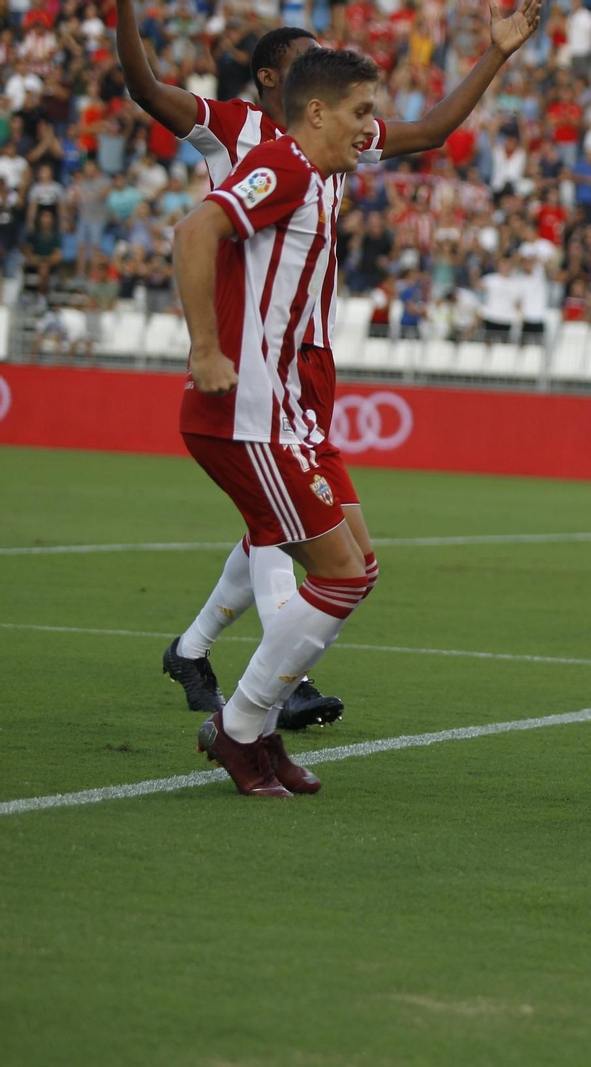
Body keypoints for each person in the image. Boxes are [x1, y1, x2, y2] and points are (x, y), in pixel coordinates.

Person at [118, 0, 546, 727]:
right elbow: (145, 88)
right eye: (304, 60)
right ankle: (274, 688)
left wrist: (498, 52)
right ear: (275, 81)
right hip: (251, 356)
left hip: (307, 356)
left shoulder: (341, 136)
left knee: (293, 520)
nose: (323, 70)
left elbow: (433, 130)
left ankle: (198, 648)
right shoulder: (239, 130)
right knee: (282, 521)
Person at [171, 49, 388, 797]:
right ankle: (241, 727)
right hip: (248, 416)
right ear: (317, 112)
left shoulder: (318, 180)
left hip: (288, 417)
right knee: (340, 574)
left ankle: (254, 724)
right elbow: (195, 232)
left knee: (358, 569)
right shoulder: (285, 165)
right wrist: (206, 349)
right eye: (361, 112)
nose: (371, 128)